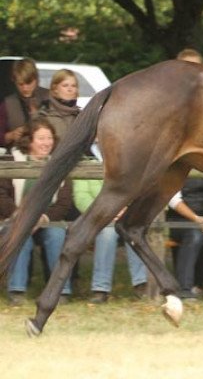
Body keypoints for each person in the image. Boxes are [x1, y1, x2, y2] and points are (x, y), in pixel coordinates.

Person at [0, 118, 73, 306]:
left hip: (47, 220)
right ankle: (17, 290)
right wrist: (23, 218)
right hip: (14, 218)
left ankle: (60, 291)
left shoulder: (59, 162)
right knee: (19, 234)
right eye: (41, 138)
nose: (46, 143)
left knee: (57, 235)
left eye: (49, 138)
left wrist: (41, 218)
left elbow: (64, 203)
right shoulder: (11, 159)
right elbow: (1, 195)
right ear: (29, 140)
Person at [73, 147, 148, 304]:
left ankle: (141, 284)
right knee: (107, 234)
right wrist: (105, 213)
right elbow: (81, 196)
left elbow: (138, 189)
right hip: (98, 217)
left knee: (132, 231)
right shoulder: (84, 159)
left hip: (126, 214)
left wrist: (127, 211)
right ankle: (100, 289)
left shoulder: (129, 153)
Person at [2, 58, 49, 150]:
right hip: (18, 155)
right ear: (14, 81)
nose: (25, 88)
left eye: (29, 83)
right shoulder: (7, 103)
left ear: (36, 79)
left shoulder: (49, 97)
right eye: (20, 84)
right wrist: (10, 136)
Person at [36, 69, 80, 145]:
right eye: (65, 85)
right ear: (55, 88)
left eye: (73, 86)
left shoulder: (82, 117)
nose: (70, 89)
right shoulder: (43, 116)